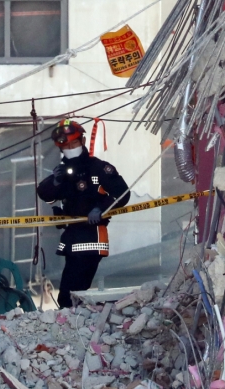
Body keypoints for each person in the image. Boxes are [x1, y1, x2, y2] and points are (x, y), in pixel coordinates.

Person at [37, 118, 130, 308]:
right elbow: (46, 195)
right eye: (67, 145)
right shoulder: (64, 173)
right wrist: (55, 182)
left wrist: (101, 209)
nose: (71, 148)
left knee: (73, 292)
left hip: (92, 237)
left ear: (83, 142)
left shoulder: (98, 168)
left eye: (75, 143)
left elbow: (123, 194)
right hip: (72, 237)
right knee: (68, 293)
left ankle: (74, 321)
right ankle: (70, 321)